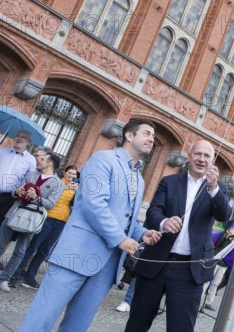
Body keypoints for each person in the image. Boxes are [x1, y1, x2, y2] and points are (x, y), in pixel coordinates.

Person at [18, 119, 162, 331]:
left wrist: (142, 233)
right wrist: (121, 239)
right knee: (41, 318)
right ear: (129, 136)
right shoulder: (103, 159)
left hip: (109, 263)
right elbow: (94, 204)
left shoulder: (139, 179)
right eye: (147, 133)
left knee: (78, 325)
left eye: (153, 135)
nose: (152, 139)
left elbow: (125, 217)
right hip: (76, 254)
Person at [125, 139, 232, 332]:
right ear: (189, 156)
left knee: (181, 327)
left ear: (212, 161)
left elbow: (224, 216)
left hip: (189, 269)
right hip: (157, 262)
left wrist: (213, 188)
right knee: (137, 323)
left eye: (206, 156)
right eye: (197, 154)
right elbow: (153, 211)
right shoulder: (170, 181)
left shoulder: (218, 189)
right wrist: (164, 222)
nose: (201, 159)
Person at [0, 150, 63, 292]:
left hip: (32, 219)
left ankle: (4, 279)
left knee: (20, 251)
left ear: (50, 163)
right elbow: (16, 190)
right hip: (15, 212)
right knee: (0, 243)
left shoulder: (58, 183)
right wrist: (17, 192)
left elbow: (51, 204)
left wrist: (35, 197)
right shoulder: (31, 174)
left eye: (42, 159)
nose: (38, 160)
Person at [11, 165, 79, 289]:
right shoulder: (58, 183)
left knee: (43, 251)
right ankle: (16, 274)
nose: (71, 176)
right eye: (69, 173)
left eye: (74, 174)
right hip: (48, 218)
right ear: (64, 172)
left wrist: (78, 193)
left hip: (62, 221)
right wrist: (65, 188)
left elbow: (75, 205)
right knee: (32, 247)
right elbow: (49, 198)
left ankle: (30, 276)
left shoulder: (76, 188)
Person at [202, 221, 234, 311]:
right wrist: (226, 237)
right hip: (215, 261)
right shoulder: (223, 236)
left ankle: (209, 302)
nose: (233, 230)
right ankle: (199, 299)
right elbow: (218, 246)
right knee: (207, 281)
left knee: (216, 283)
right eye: (232, 228)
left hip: (223, 265)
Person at [0, 130, 36, 220]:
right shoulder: (2, 152)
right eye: (17, 136)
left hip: (9, 197)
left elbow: (29, 180)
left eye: (23, 137)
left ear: (28, 143)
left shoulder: (31, 160)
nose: (19, 138)